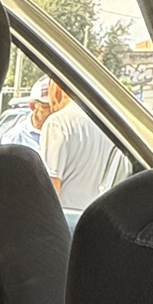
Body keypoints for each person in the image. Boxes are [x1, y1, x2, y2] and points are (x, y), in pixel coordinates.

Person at [38, 79, 117, 213]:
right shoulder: (105, 123)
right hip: (94, 215)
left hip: (64, 216)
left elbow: (51, 186)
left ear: (56, 89)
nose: (50, 103)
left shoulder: (57, 122)